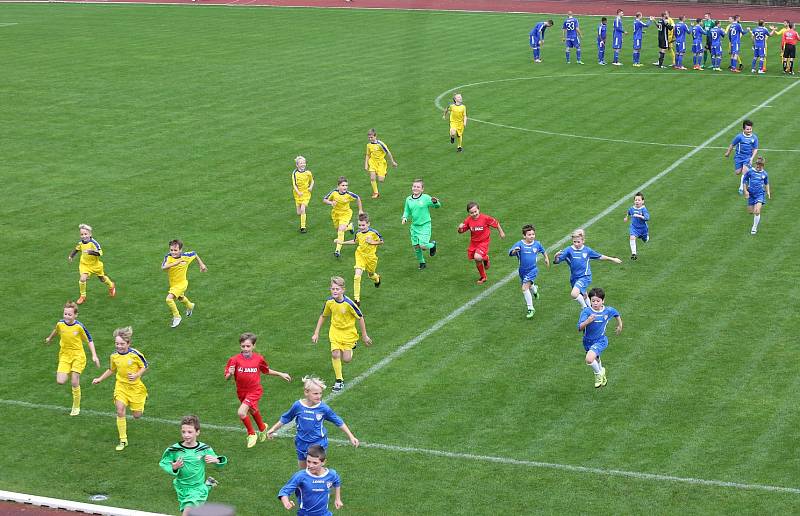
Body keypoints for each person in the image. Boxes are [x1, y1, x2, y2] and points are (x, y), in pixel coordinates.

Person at [267, 376, 359, 468]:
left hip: (318, 443)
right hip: (301, 442)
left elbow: (338, 421)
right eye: (315, 393)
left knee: (316, 469)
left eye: (320, 393)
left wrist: (351, 436)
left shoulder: (323, 408)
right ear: (306, 392)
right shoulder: (298, 406)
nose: (319, 396)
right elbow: (286, 418)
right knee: (303, 471)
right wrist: (273, 429)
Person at [225, 332, 292, 448]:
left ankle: (251, 434)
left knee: (241, 412)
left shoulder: (258, 359)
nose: (245, 349)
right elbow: (226, 377)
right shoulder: (234, 360)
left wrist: (281, 374)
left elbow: (266, 370)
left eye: (248, 346)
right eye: (243, 346)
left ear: (253, 346)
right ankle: (262, 428)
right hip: (241, 392)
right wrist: (230, 374)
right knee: (252, 410)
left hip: (255, 391)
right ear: (240, 346)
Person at [159, 415, 228, 516]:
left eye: (190, 432)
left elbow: (219, 463)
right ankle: (208, 485)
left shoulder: (204, 448)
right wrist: (173, 468)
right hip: (181, 487)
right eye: (183, 432)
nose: (186, 435)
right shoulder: (174, 449)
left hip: (197, 489)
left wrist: (216, 460)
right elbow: (164, 463)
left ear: (197, 432)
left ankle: (205, 487)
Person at [92, 326, 147, 451]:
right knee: (120, 410)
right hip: (121, 386)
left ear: (128, 343)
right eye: (117, 343)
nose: (119, 346)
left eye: (122, 344)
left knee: (137, 415)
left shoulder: (135, 354)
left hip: (135, 389)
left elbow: (145, 365)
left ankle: (143, 396)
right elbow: (112, 369)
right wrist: (100, 379)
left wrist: (137, 374)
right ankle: (123, 440)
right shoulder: (114, 356)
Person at [311, 277, 372, 391]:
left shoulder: (349, 304)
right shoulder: (329, 302)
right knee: (335, 354)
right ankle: (339, 380)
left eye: (337, 289)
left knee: (347, 359)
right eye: (333, 289)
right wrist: (316, 333)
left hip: (348, 333)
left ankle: (352, 347)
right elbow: (323, 316)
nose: (334, 291)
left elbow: (360, 317)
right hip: (335, 331)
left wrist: (364, 335)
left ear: (343, 290)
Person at [44, 301, 100, 416]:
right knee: (60, 381)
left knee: (74, 381)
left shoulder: (79, 327)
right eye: (65, 314)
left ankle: (76, 406)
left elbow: (89, 339)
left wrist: (94, 355)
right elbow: (56, 330)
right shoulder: (60, 324)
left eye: (69, 314)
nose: (67, 316)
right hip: (64, 355)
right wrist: (50, 338)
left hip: (78, 356)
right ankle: (71, 371)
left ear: (75, 315)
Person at [553, 229, 622, 309]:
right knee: (584, 295)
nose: (576, 244)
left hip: (585, 277)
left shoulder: (587, 250)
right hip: (574, 278)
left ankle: (585, 308)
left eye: (578, 242)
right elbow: (557, 261)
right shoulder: (568, 250)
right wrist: (556, 256)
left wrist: (612, 259)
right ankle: (592, 310)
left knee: (574, 294)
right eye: (574, 242)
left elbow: (599, 256)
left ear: (583, 241)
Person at [277, 445, 343, 515]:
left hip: (324, 514)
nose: (310, 465)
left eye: (315, 463)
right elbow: (284, 491)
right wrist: (286, 502)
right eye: (308, 461)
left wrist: (337, 499)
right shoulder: (300, 476)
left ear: (323, 462)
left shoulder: (331, 474)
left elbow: (337, 481)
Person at [577, 288, 622, 389]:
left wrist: (620, 325)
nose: (595, 303)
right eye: (593, 301)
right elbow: (579, 328)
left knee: (589, 359)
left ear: (603, 301)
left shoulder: (607, 311)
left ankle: (598, 374)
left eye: (598, 301)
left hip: (601, 341)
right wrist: (588, 321)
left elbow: (616, 314)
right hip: (587, 342)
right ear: (590, 301)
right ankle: (602, 372)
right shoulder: (587, 312)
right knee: (595, 359)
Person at [335, 213, 383, 305]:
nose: (361, 227)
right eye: (359, 225)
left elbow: (381, 241)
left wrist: (372, 242)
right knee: (357, 276)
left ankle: (377, 278)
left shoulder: (373, 232)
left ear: (368, 224)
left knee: (371, 274)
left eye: (363, 225)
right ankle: (357, 299)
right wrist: (341, 242)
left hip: (371, 258)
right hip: (360, 255)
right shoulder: (358, 233)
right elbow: (355, 241)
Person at [161, 239, 208, 328]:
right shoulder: (168, 257)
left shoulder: (186, 256)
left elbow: (194, 254)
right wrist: (176, 263)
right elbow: (163, 267)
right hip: (173, 284)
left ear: (180, 250)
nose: (173, 252)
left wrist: (202, 265)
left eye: (175, 250)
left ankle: (177, 316)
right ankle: (190, 306)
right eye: (171, 250)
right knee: (180, 298)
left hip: (182, 284)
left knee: (169, 299)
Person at [457, 202, 506, 285]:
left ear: (478, 210)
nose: (474, 214)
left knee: (477, 257)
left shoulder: (485, 218)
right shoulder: (468, 220)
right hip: (474, 243)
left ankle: (485, 258)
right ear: (469, 213)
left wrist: (501, 233)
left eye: (475, 211)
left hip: (484, 242)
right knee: (477, 260)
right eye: (471, 212)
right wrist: (459, 228)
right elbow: (461, 232)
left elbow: (496, 223)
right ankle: (483, 277)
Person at [68, 223, 116, 305]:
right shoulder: (81, 243)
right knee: (82, 279)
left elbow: (100, 253)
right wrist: (71, 256)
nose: (83, 236)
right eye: (82, 234)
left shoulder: (94, 243)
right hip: (85, 265)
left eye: (85, 234)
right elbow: (76, 249)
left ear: (90, 234)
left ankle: (111, 285)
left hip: (95, 265)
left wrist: (91, 252)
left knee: (102, 279)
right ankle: (83, 296)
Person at [508, 225, 550, 319]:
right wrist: (515, 251)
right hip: (522, 271)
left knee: (524, 288)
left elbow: (543, 251)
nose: (532, 236)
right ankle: (534, 289)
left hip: (533, 270)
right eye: (529, 234)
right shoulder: (520, 244)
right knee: (529, 286)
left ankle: (531, 308)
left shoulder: (537, 244)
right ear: (524, 236)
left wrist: (546, 259)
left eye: (533, 234)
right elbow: (510, 253)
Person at [402, 179, 440, 270]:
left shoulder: (426, 198)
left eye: (418, 187)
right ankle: (422, 263)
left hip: (425, 225)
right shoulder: (409, 199)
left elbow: (437, 206)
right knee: (416, 246)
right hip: (414, 226)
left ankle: (433, 245)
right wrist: (404, 217)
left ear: (422, 189)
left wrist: (435, 202)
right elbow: (406, 210)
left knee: (423, 246)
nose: (415, 188)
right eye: (414, 186)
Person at [323, 177, 363, 258]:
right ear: (338, 186)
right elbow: (324, 199)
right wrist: (331, 202)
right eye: (343, 185)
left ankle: (337, 250)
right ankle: (350, 227)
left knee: (341, 230)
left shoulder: (349, 194)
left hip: (345, 214)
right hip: (335, 214)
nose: (345, 187)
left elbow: (358, 198)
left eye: (346, 185)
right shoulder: (334, 193)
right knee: (338, 230)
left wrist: (360, 210)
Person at [724, 119, 758, 194]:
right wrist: (728, 153)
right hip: (739, 157)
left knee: (744, 172)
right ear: (743, 129)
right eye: (747, 129)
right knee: (737, 172)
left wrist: (752, 158)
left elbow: (755, 149)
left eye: (750, 129)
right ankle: (752, 170)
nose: (749, 130)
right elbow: (732, 145)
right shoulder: (739, 137)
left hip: (747, 157)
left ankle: (741, 188)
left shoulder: (754, 138)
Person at [364, 128, 397, 199]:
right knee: (372, 178)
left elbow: (388, 152)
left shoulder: (380, 144)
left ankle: (383, 173)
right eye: (369, 137)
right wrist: (366, 164)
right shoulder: (368, 145)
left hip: (381, 163)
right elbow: (367, 155)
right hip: (372, 162)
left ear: (375, 136)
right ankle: (376, 193)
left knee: (381, 180)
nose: (370, 139)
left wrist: (393, 162)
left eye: (371, 137)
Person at [742, 156, 771, 235]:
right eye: (757, 164)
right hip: (751, 194)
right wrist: (745, 191)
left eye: (760, 165)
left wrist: (768, 191)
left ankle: (754, 227)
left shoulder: (764, 174)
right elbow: (744, 181)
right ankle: (754, 209)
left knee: (757, 211)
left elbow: (766, 183)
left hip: (760, 194)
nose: (758, 166)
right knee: (750, 211)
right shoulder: (750, 171)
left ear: (763, 165)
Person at [623, 192, 650, 260]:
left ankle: (645, 237)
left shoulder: (644, 209)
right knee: (632, 237)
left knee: (645, 240)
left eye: (639, 200)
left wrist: (639, 216)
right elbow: (628, 212)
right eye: (636, 200)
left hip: (643, 228)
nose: (637, 201)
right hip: (634, 227)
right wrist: (626, 217)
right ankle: (634, 254)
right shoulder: (632, 208)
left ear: (642, 201)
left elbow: (647, 218)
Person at [292, 155, 314, 233]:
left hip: (306, 193)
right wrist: (298, 192)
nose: (303, 164)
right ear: (297, 165)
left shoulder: (308, 173)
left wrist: (310, 187)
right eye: (301, 163)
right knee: (299, 213)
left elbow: (312, 181)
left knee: (302, 209)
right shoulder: (295, 173)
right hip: (297, 194)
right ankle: (302, 216)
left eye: (304, 163)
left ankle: (303, 227)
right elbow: (294, 184)